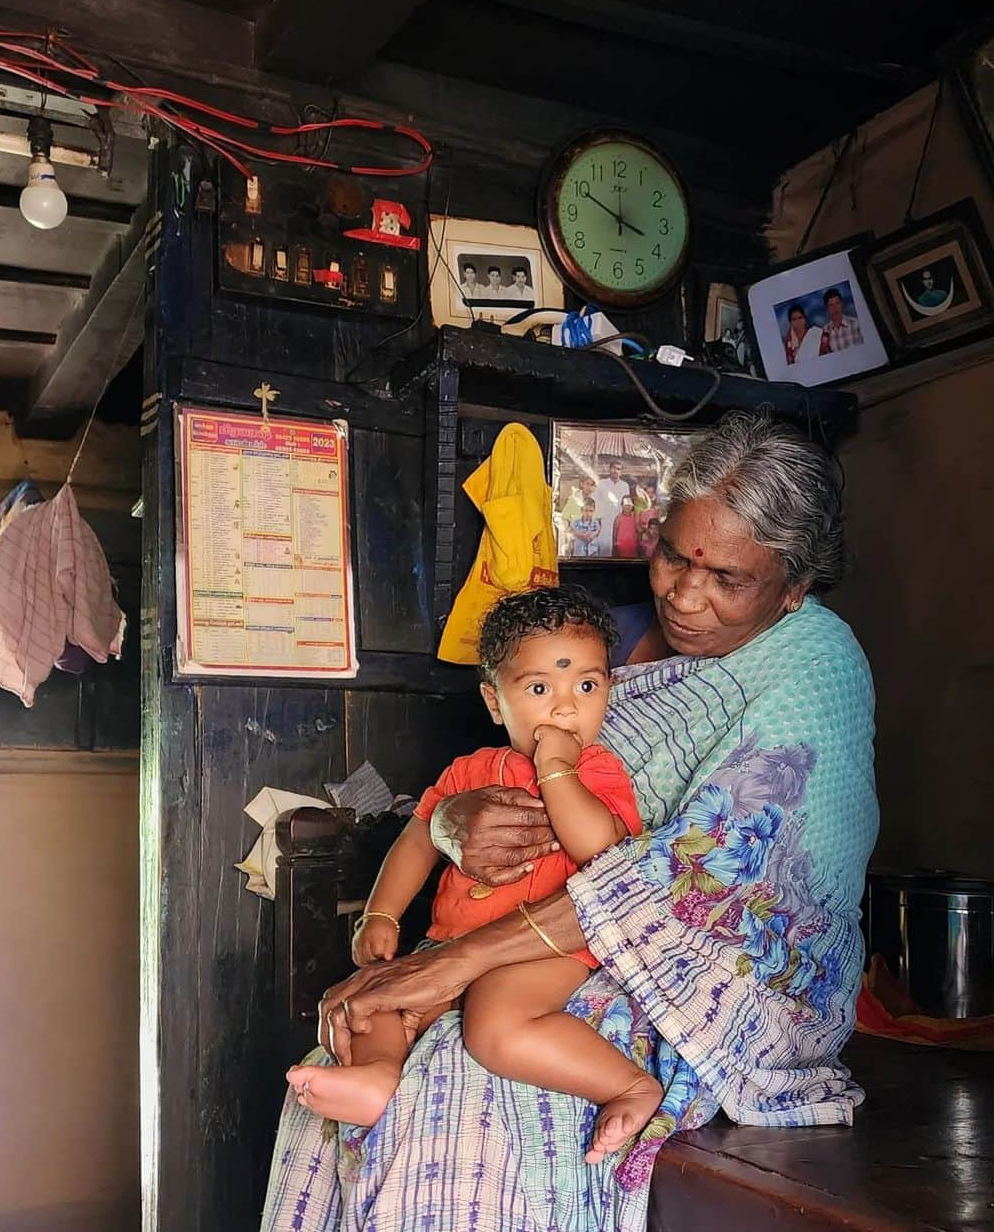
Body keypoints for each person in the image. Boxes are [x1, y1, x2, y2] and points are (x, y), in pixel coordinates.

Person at [262, 411, 877, 1232]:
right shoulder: (600, 634)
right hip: (520, 934)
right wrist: (450, 829)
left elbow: (700, 879)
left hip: (683, 979)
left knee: (460, 1088)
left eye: (726, 578)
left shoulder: (813, 667)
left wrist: (452, 966)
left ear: (794, 586)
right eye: (673, 557)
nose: (686, 594)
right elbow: (475, 779)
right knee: (338, 1058)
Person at [286, 588, 661, 1145]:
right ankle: (380, 1079)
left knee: (494, 1023)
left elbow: (598, 850)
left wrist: (558, 771)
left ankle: (629, 1087)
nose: (566, 707)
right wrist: (381, 915)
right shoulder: (470, 771)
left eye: (588, 685)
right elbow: (419, 839)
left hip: (546, 950)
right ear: (494, 701)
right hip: (449, 943)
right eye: (539, 688)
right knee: (374, 1004)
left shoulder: (598, 772)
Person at [592, 460, 629, 557]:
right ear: (610, 469)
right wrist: (597, 518)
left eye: (618, 469)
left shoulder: (625, 486)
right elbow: (595, 501)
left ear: (621, 472)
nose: (616, 471)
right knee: (604, 546)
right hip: (604, 519)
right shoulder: (601, 483)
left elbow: (626, 504)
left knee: (619, 547)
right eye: (614, 468)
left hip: (620, 520)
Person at [820, 288, 863, 352]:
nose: (835, 308)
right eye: (831, 305)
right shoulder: (823, 332)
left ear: (841, 304)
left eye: (837, 303)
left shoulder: (856, 324)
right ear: (827, 308)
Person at [612, 494, 641, 559]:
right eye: (625, 505)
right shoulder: (618, 518)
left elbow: (638, 531)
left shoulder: (635, 516)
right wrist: (614, 548)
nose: (627, 507)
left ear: (632, 505)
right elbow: (614, 535)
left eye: (629, 505)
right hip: (621, 550)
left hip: (633, 549)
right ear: (622, 505)